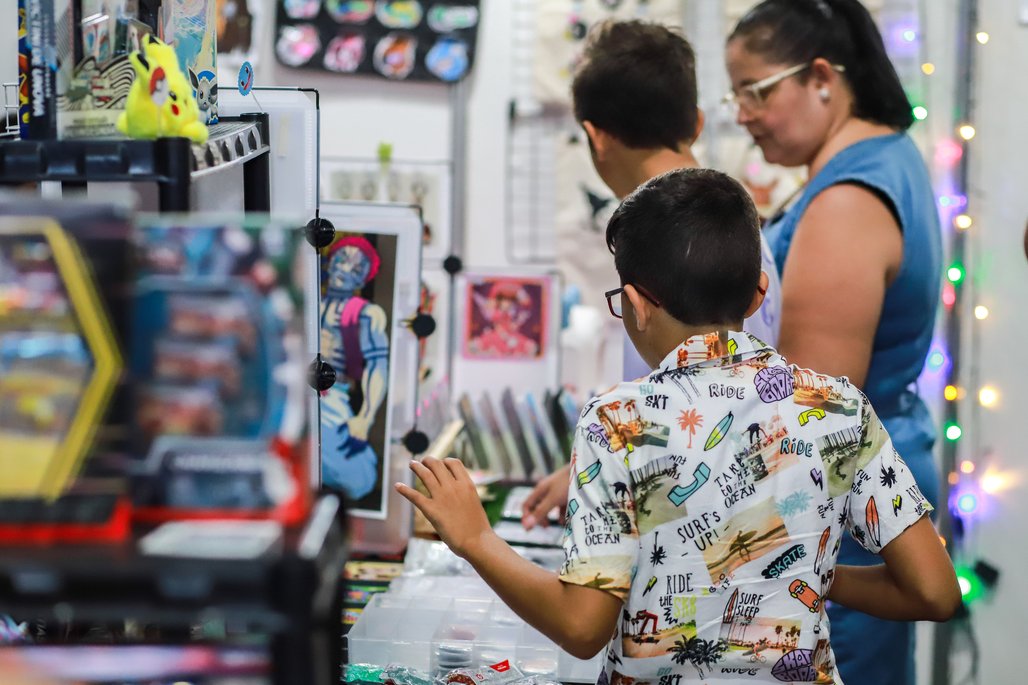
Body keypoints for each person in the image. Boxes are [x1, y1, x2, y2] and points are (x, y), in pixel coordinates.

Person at [397, 169, 960, 684]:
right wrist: (815, 573)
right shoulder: (838, 406)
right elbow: (935, 592)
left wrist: (475, 539)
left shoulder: (619, 422)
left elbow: (581, 627)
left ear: (638, 304)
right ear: (759, 292)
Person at [723, 2, 943, 683]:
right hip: (869, 496)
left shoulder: (847, 198)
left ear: (822, 77)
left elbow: (812, 415)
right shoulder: (884, 159)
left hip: (845, 511)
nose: (742, 113)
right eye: (734, 96)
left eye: (755, 91)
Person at [522, 19, 783, 529]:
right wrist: (588, 468)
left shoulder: (671, 243)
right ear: (698, 123)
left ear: (595, 136)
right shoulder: (736, 233)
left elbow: (698, 423)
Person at [320, 236, 390, 501]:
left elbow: (377, 366)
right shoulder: (307, 301)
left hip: (334, 399)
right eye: (341, 259)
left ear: (363, 278)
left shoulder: (366, 314)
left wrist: (365, 418)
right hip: (296, 399)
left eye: (355, 266)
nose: (345, 269)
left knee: (357, 477)